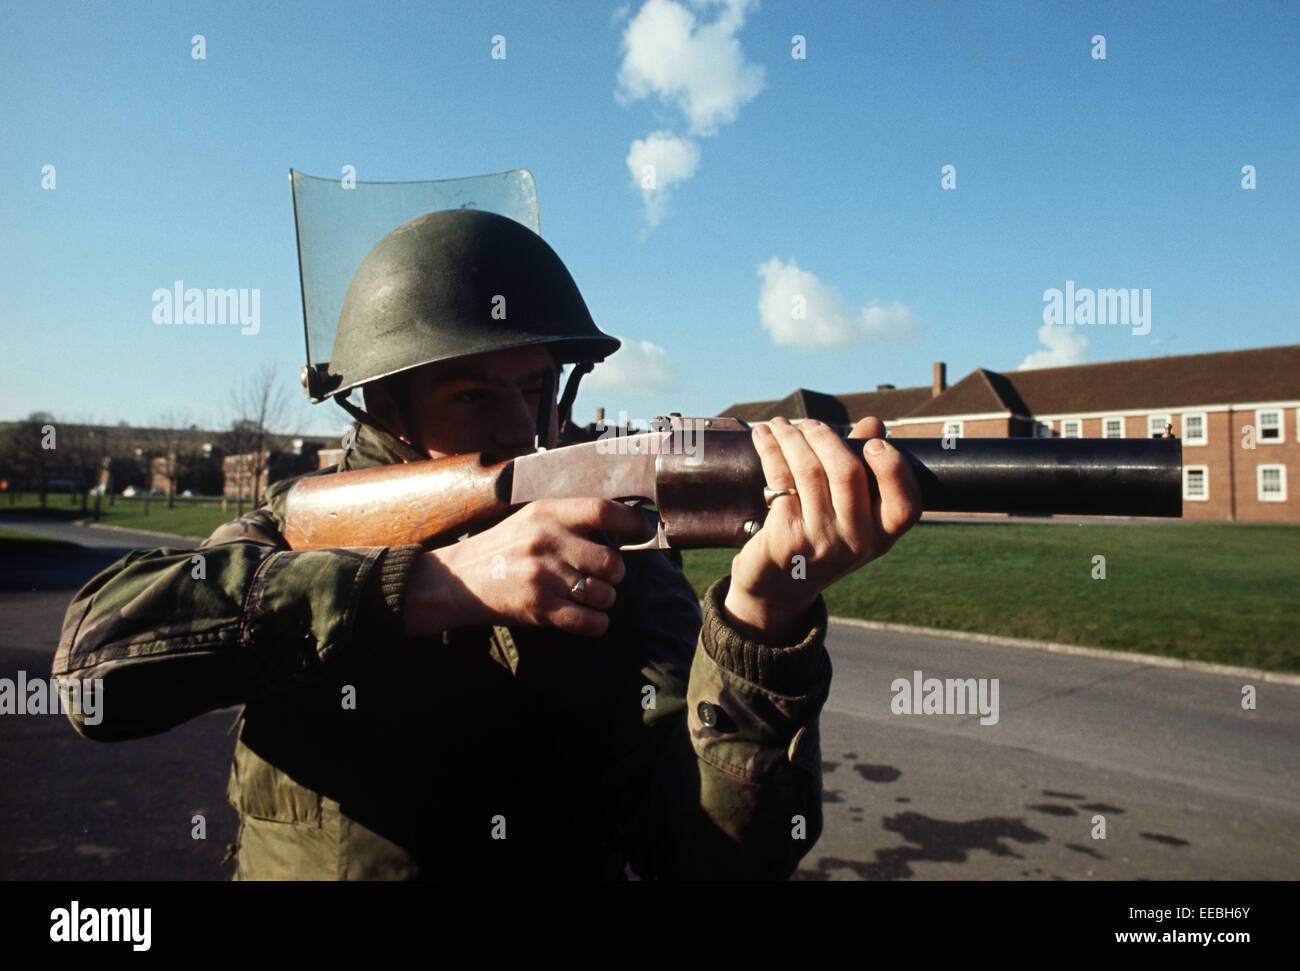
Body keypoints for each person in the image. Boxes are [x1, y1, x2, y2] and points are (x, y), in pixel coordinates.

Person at [54, 209, 921, 879]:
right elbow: (92, 669)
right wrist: (425, 585)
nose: (521, 428)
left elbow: (704, 857)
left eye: (538, 386)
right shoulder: (299, 526)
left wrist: (761, 622)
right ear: (386, 409)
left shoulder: (621, 547)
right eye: (471, 396)